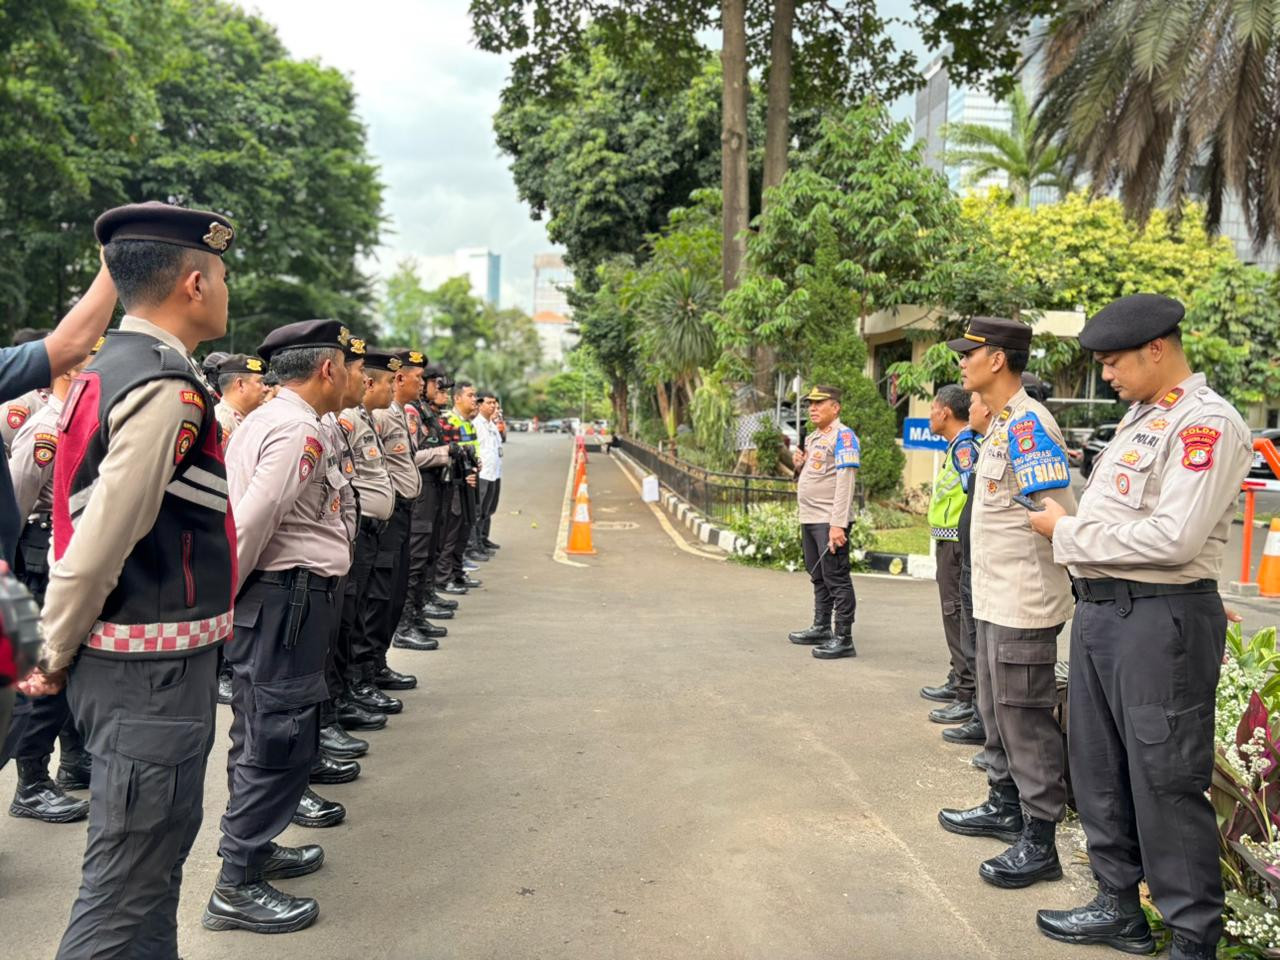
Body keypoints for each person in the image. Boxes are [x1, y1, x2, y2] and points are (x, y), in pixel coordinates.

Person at [21, 201, 235, 960]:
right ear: (194, 284)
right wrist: (48, 657)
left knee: (148, 881)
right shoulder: (161, 387)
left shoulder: (112, 368)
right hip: (147, 674)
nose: (225, 287)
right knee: (123, 892)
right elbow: (99, 543)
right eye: (221, 272)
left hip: (142, 670)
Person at [1029, 295, 1253, 960]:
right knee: (1098, 768)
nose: (1106, 376)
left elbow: (1176, 536)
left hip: (1159, 621)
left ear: (1158, 348)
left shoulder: (1205, 424)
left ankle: (1191, 937)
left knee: (1165, 777)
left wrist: (1065, 531)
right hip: (1103, 613)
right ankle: (1118, 904)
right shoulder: (1141, 419)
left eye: (1114, 362)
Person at [208, 318, 354, 935]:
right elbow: (256, 514)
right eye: (347, 365)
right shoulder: (296, 427)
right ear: (327, 369)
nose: (350, 376)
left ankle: (253, 847)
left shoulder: (270, 419)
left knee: (263, 729)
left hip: (276, 603)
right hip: (285, 601)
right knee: (280, 734)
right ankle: (235, 884)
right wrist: (225, 602)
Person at [937, 316, 1076, 890]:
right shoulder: (1000, 426)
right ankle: (1004, 804)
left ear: (997, 359)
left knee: (1024, 718)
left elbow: (1059, 516)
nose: (961, 363)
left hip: (1024, 600)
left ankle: (1040, 839)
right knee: (996, 711)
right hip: (995, 597)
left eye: (969, 354)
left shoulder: (1029, 425)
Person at [5, 349, 95, 823]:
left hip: (67, 555)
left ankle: (74, 760)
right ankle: (31, 781)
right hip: (40, 560)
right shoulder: (45, 429)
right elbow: (14, 505)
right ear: (69, 372)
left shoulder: (78, 423)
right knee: (44, 671)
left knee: (71, 666)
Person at [333, 349, 410, 736]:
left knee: (368, 605)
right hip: (355, 530)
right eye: (369, 375)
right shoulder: (345, 419)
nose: (370, 383)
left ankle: (358, 681)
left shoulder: (362, 417)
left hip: (371, 527)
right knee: (354, 615)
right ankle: (351, 687)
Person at [785, 385, 860, 660]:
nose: (812, 408)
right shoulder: (815, 437)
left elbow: (845, 483)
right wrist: (798, 465)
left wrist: (837, 524)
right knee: (818, 575)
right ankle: (821, 627)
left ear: (835, 407)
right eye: (810, 404)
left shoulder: (844, 437)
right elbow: (813, 476)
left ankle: (843, 637)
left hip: (829, 520)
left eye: (819, 403)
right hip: (810, 517)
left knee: (836, 577)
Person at [921, 385, 980, 727]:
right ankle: (957, 679)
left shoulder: (965, 448)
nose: (930, 414)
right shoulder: (957, 445)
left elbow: (972, 495)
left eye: (932, 408)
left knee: (956, 614)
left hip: (958, 543)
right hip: (950, 541)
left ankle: (966, 694)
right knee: (953, 612)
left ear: (944, 412)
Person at [947, 392, 993, 759]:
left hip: (979, 557)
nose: (972, 409)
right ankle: (976, 710)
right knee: (970, 636)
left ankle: (978, 713)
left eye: (976, 401)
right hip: (968, 550)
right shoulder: (984, 443)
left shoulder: (974, 445)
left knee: (975, 637)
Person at [402, 362, 456, 640]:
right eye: (436, 383)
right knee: (417, 556)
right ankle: (405, 622)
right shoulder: (412, 412)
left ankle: (419, 611)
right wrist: (445, 453)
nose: (433, 387)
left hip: (436, 488)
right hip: (422, 491)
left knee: (429, 552)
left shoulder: (426, 413)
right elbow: (409, 458)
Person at [435, 380, 482, 594]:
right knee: (450, 533)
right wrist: (464, 474)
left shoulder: (469, 423)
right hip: (455, 483)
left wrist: (476, 466)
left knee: (464, 529)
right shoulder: (448, 421)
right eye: (471, 395)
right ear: (458, 398)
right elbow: (448, 455)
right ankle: (444, 579)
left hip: (469, 482)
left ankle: (457, 572)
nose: (475, 400)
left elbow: (472, 452)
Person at [472, 390, 503, 555]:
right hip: (482, 474)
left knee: (489, 509)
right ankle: (474, 546)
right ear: (479, 404)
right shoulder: (476, 424)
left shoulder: (492, 425)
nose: (493, 406)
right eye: (489, 403)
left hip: (494, 473)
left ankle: (483, 538)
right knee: (478, 510)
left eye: (494, 403)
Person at [213, 353, 269, 441]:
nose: (266, 388)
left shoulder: (242, 418)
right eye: (260, 382)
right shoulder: (222, 421)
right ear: (240, 384)